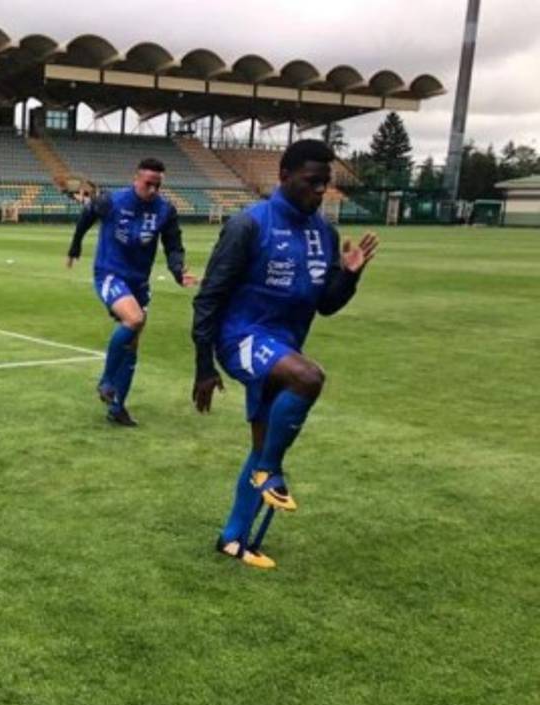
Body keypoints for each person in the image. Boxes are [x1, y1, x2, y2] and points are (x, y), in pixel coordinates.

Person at [191, 140, 378, 568]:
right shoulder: (249, 225)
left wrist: (350, 276)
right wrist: (204, 366)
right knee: (309, 378)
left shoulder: (324, 234)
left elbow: (326, 304)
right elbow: (208, 299)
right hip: (241, 337)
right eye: (312, 182)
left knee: (263, 446)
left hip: (283, 347)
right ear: (284, 176)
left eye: (325, 184)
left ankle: (234, 538)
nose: (320, 191)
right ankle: (269, 473)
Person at [67, 158, 198, 426]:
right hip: (110, 273)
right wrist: (75, 246)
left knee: (132, 344)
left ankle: (118, 408)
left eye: (158, 185)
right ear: (136, 179)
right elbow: (86, 216)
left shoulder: (165, 210)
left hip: (139, 282)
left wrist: (177, 270)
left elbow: (173, 246)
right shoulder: (112, 201)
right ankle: (106, 380)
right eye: (148, 184)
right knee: (134, 320)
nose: (153, 190)